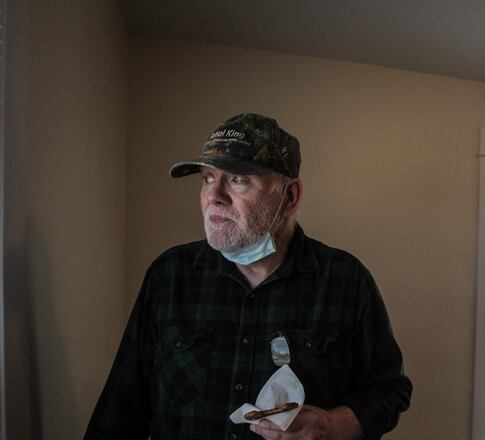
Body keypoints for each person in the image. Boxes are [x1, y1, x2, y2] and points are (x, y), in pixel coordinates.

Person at [85, 113, 412, 440]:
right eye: (208, 178)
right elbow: (121, 406)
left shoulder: (347, 281)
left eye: (238, 179)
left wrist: (336, 425)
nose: (214, 196)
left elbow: (389, 389)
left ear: (290, 197)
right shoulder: (169, 276)